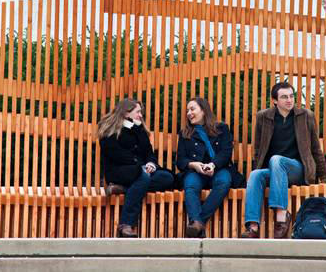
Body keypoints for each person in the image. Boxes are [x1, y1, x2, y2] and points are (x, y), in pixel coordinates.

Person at [240, 82, 326, 239]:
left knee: (277, 160)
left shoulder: (305, 116)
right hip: (275, 172)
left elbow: (315, 148)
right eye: (284, 97)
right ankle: (252, 227)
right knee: (255, 175)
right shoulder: (263, 117)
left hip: (297, 170)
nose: (289, 100)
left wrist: (324, 177)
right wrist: (259, 168)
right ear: (275, 101)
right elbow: (258, 150)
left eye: (291, 96)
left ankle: (281, 216)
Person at [97, 98, 174, 238]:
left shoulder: (139, 130)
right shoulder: (110, 129)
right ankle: (125, 224)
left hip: (139, 172)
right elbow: (114, 153)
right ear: (127, 113)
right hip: (119, 171)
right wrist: (140, 166)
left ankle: (122, 189)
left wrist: (150, 164)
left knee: (167, 177)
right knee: (142, 176)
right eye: (138, 112)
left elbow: (149, 153)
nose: (141, 115)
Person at [175, 97, 240, 238]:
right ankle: (198, 224)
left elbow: (226, 152)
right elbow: (180, 160)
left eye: (192, 109)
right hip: (196, 171)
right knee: (190, 185)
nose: (189, 113)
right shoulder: (185, 133)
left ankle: (198, 222)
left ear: (203, 110)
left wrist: (213, 164)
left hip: (219, 168)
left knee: (224, 182)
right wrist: (193, 165)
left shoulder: (222, 128)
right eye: (187, 110)